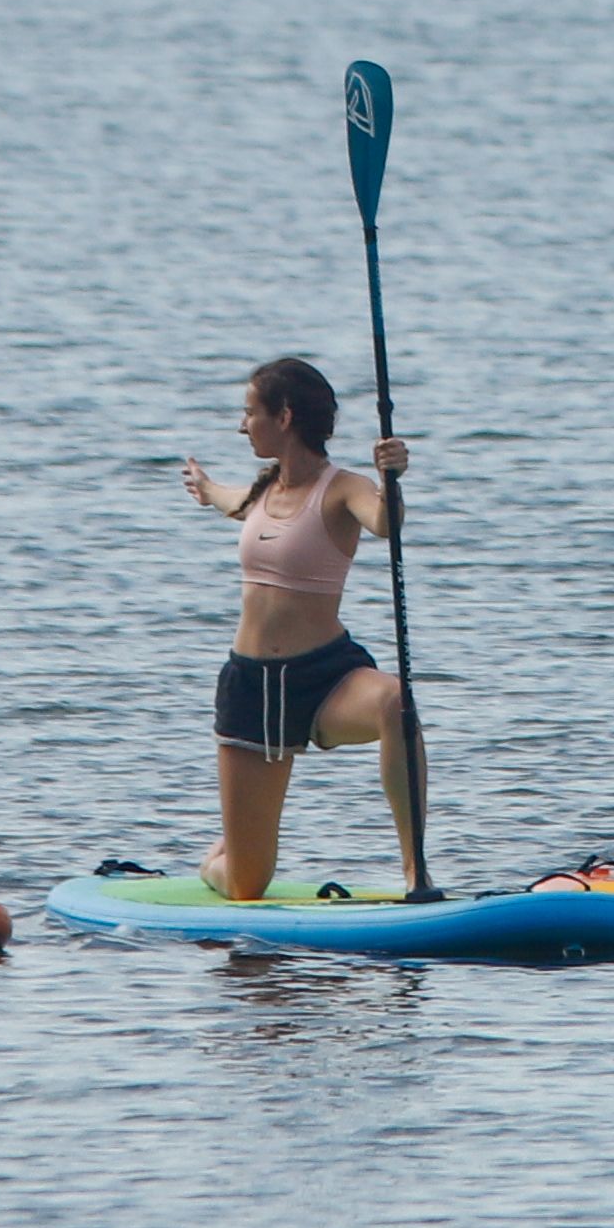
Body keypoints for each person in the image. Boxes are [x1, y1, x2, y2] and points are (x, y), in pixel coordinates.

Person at [177, 354, 419, 901]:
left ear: (284, 417)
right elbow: (228, 501)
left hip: (326, 678)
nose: (242, 426)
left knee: (395, 703)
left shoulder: (344, 489)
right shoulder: (262, 493)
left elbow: (386, 522)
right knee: (246, 884)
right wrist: (206, 486)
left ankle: (415, 873)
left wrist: (392, 478)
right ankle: (217, 858)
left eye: (249, 413)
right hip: (252, 689)